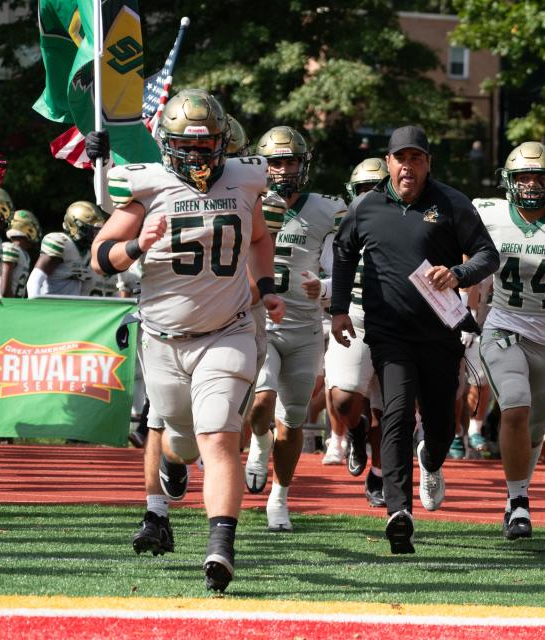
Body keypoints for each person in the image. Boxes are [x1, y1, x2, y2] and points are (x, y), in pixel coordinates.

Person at [90, 89, 284, 592]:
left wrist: (266, 288)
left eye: (208, 145)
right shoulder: (147, 186)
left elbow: (260, 239)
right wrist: (138, 244)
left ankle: (221, 545)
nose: (199, 155)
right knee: (180, 440)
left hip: (228, 330)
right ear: (168, 144)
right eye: (188, 146)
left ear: (223, 142)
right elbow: (99, 256)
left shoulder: (244, 181)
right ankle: (176, 465)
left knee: (219, 434)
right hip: (164, 340)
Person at [330, 125, 499, 554]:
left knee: (441, 423)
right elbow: (344, 251)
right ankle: (398, 511)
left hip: (441, 333)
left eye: (416, 158)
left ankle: (433, 461)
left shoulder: (451, 203)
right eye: (400, 158)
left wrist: (457, 274)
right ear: (388, 162)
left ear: (428, 163)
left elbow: (487, 255)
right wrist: (337, 310)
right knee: (397, 415)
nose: (408, 167)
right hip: (390, 333)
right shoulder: (365, 207)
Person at [474, 141, 545, 539]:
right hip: (505, 325)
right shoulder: (490, 215)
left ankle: (515, 496)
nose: (533, 184)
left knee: (535, 428)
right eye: (524, 176)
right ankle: (519, 501)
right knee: (514, 406)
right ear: (509, 181)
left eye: (541, 176)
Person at [242, 125, 344, 533]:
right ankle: (258, 443)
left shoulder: (327, 209)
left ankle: (279, 497)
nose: (283, 170)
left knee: (294, 420)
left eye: (290, 161)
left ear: (304, 164)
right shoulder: (246, 200)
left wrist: (327, 289)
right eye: (275, 162)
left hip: (304, 325)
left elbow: (342, 268)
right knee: (261, 403)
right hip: (259, 320)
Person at [329, 157, 391, 507]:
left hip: (395, 321)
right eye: (363, 190)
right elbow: (329, 267)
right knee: (344, 398)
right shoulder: (341, 222)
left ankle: (379, 475)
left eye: (376, 189)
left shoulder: (405, 219)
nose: (368, 196)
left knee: (390, 408)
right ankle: (355, 431)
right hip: (355, 316)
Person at [28, 201, 105, 298]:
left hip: (71, 309)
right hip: (51, 307)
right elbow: (35, 279)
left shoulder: (87, 252)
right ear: (76, 226)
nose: (96, 235)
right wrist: (34, 305)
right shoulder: (62, 243)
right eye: (91, 230)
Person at [0, 209, 40, 298]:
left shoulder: (25, 255)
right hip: (5, 305)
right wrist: (14, 305)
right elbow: (4, 290)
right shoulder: (10, 249)